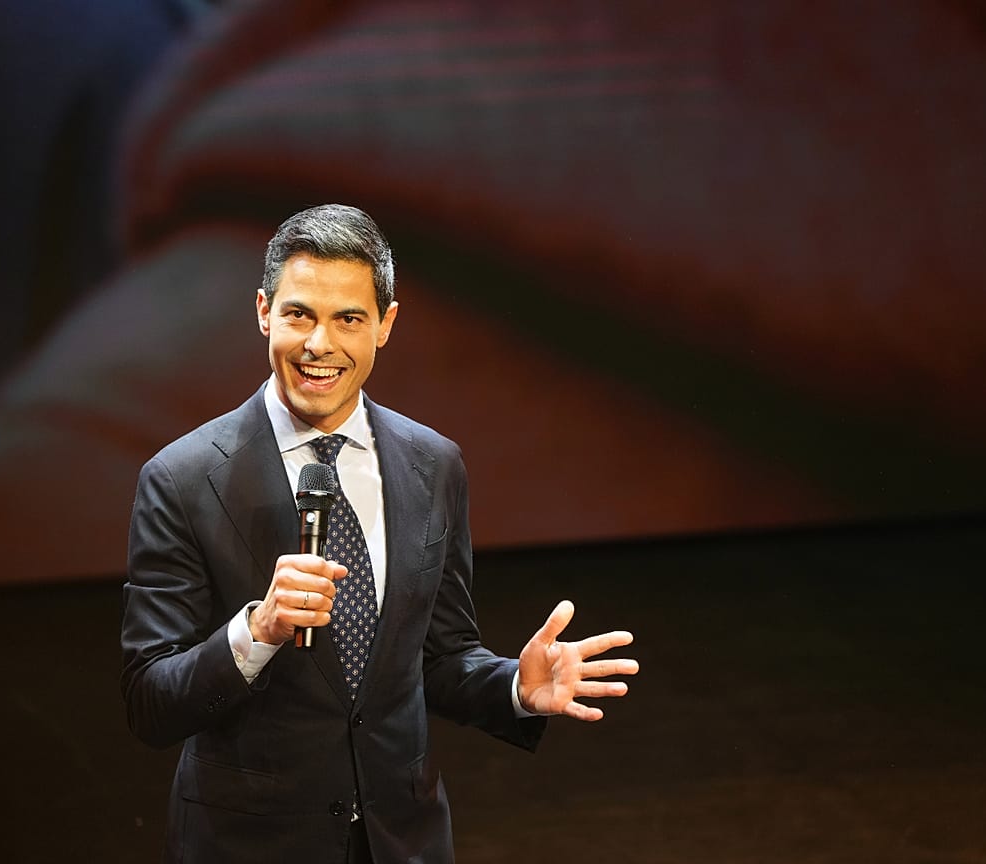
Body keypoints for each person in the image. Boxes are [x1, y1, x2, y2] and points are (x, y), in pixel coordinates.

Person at [120, 203, 638, 864]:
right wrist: (258, 631)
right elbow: (149, 702)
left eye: (348, 319)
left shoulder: (433, 464)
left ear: (385, 326)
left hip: (404, 838)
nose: (319, 346)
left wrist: (516, 687)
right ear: (263, 312)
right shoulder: (183, 479)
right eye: (299, 314)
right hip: (251, 842)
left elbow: (440, 658)